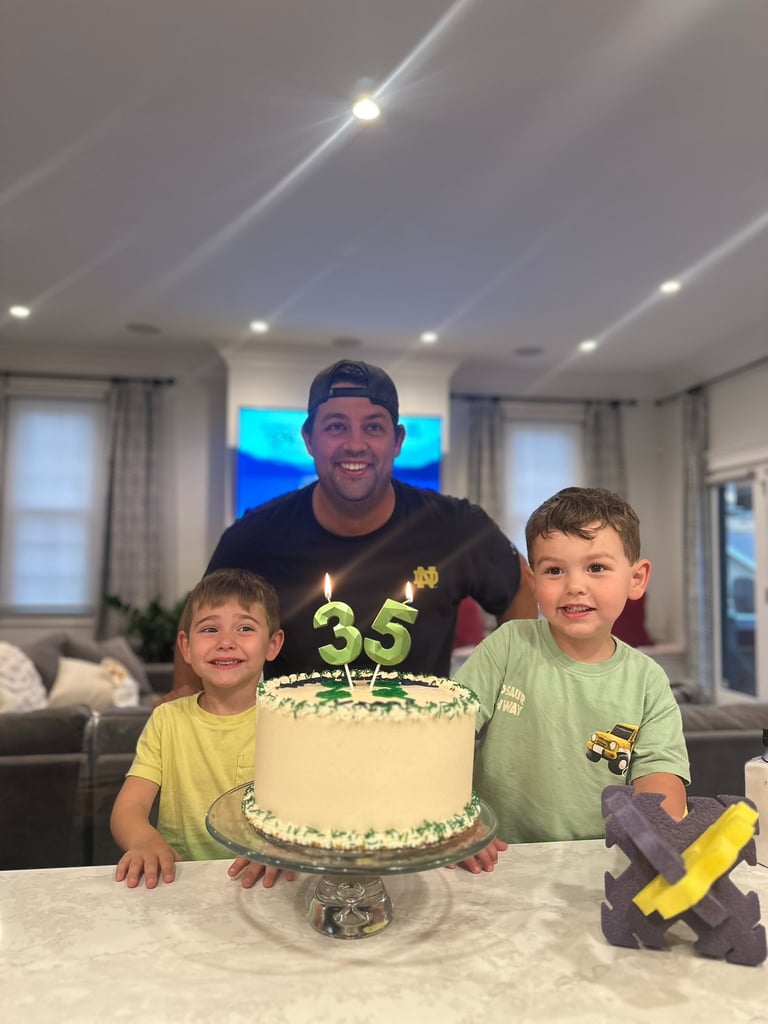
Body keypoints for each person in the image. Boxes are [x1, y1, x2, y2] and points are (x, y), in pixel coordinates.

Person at [169, 359, 537, 698]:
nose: (355, 444)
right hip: (295, 741)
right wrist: (187, 699)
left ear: (397, 441)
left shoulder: (455, 527)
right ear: (309, 439)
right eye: (336, 427)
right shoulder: (256, 536)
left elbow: (519, 585)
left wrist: (509, 689)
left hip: (421, 741)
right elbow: (197, 617)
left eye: (373, 427)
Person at [455, 486, 690, 845]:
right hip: (500, 856)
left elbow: (660, 775)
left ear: (636, 579)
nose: (575, 586)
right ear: (533, 581)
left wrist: (657, 833)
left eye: (596, 567)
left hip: (602, 857)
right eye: (554, 570)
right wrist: (455, 815)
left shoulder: (648, 680)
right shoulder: (507, 646)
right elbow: (445, 735)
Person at [111, 568, 295, 890]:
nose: (226, 642)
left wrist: (282, 845)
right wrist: (143, 841)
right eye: (210, 629)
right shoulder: (166, 720)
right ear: (186, 647)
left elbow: (311, 809)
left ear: (272, 644)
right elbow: (129, 807)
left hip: (268, 885)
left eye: (245, 628)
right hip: (180, 884)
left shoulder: (291, 722)